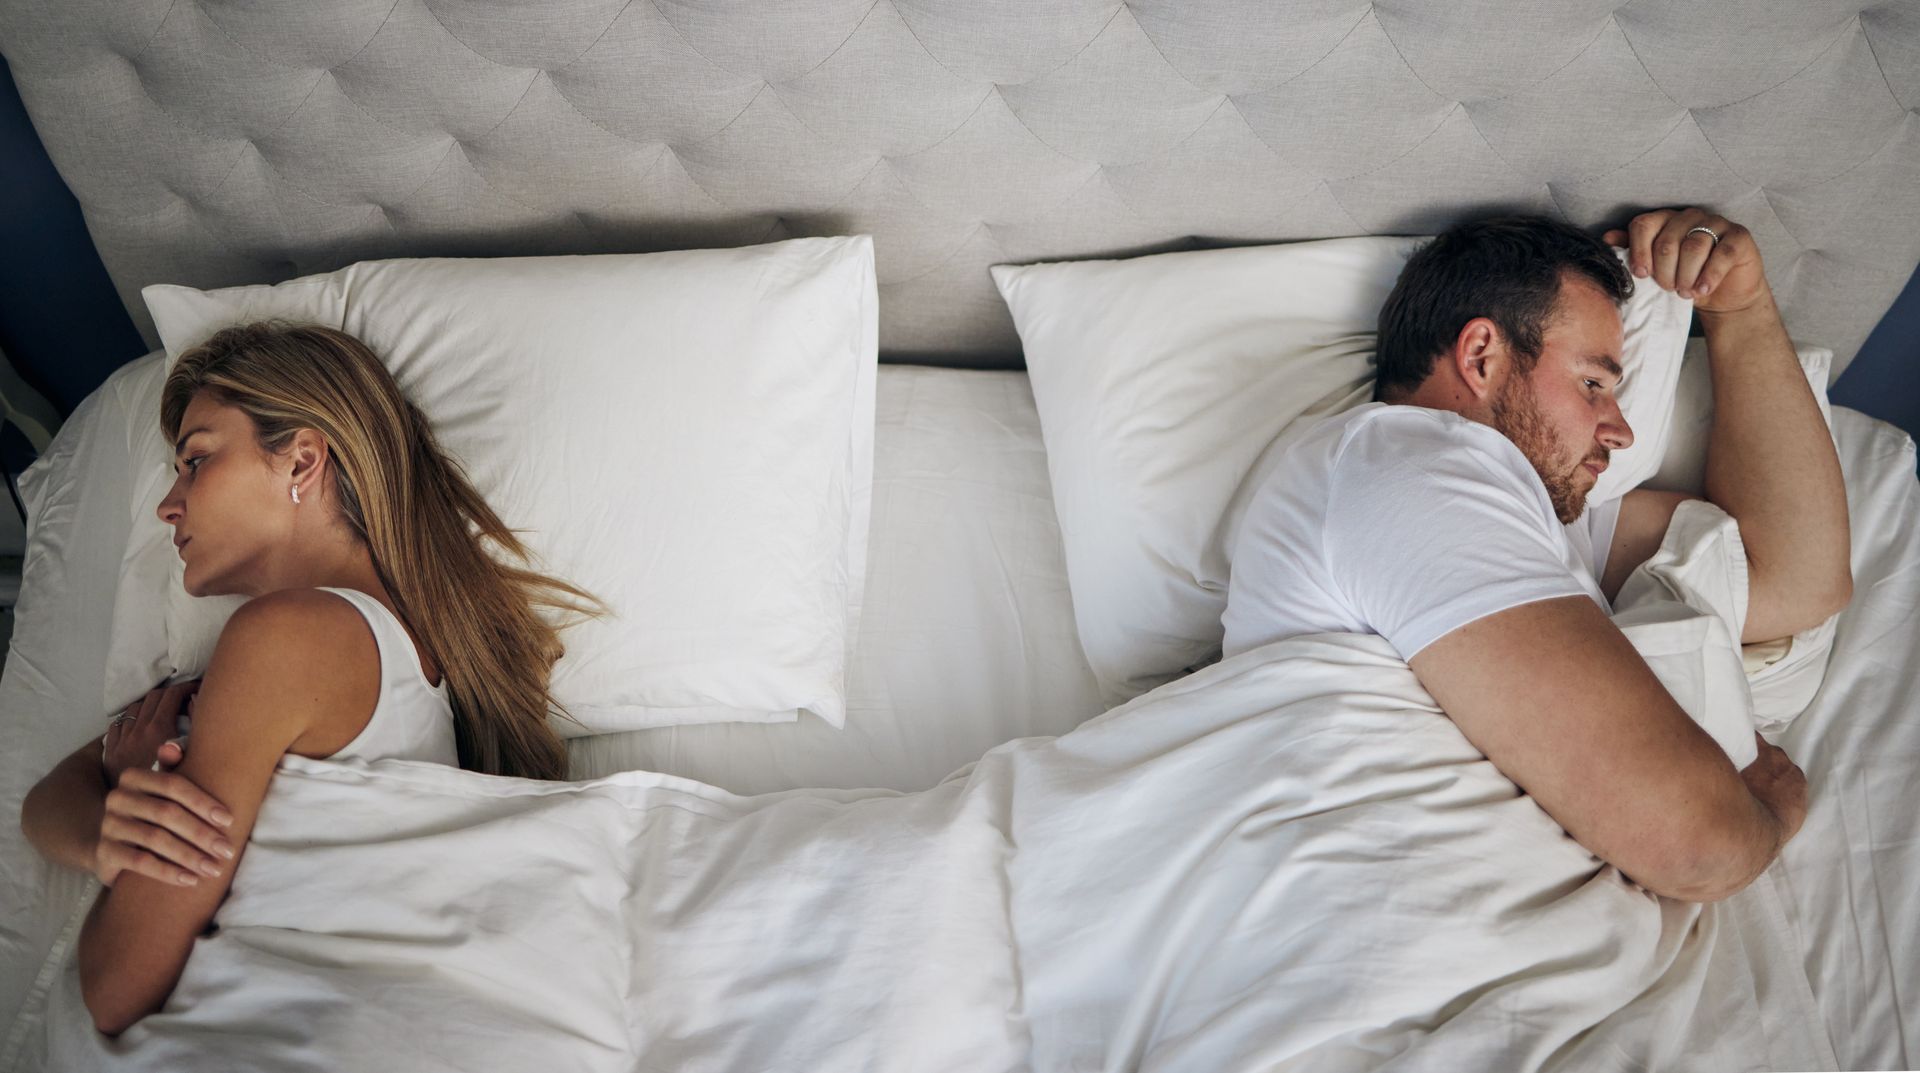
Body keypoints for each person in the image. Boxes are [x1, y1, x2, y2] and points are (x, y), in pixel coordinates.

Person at [1221, 208, 1851, 903]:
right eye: (1592, 384)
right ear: (1483, 356)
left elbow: (1799, 580)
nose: (1620, 428)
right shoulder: (1405, 470)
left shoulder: (1539, 524)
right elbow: (1701, 844)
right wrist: (1772, 806)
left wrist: (1742, 307)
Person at [18, 321, 605, 1035]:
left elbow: (114, 984)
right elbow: (47, 799)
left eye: (195, 460)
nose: (166, 505)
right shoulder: (326, 652)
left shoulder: (286, 641)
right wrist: (110, 832)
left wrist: (148, 794)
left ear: (301, 462)